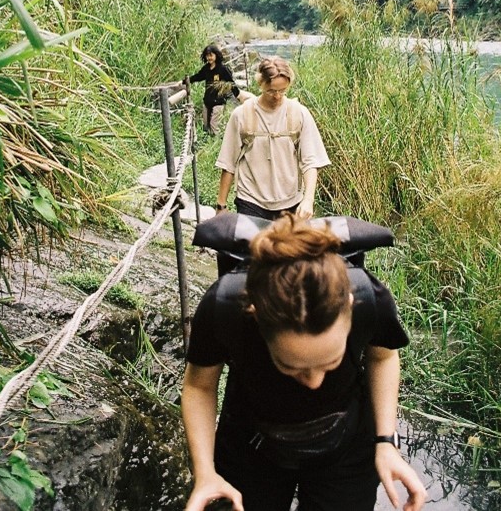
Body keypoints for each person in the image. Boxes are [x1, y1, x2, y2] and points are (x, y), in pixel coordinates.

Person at [181, 214, 427, 511]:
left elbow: (383, 356)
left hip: (346, 446)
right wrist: (205, 473)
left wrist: (386, 442)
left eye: (330, 362)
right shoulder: (224, 307)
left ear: (349, 306)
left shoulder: (367, 298)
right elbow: (199, 387)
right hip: (251, 442)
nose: (314, 382)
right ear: (256, 316)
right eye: (292, 367)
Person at [215, 56, 329, 221]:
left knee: (288, 247)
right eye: (271, 91)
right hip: (250, 200)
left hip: (291, 202)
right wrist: (221, 205)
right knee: (254, 247)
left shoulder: (299, 113)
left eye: (282, 91)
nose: (277, 96)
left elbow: (310, 161)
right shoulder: (241, 115)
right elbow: (228, 163)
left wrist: (308, 200)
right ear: (260, 83)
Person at [189, 45, 242, 135]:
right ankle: (208, 144)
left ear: (216, 55)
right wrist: (185, 81)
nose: (209, 58)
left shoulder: (222, 69)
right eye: (207, 55)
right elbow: (198, 77)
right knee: (206, 125)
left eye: (211, 55)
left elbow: (231, 83)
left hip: (219, 101)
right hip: (207, 101)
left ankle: (217, 145)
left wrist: (238, 96)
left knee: (214, 126)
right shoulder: (206, 69)